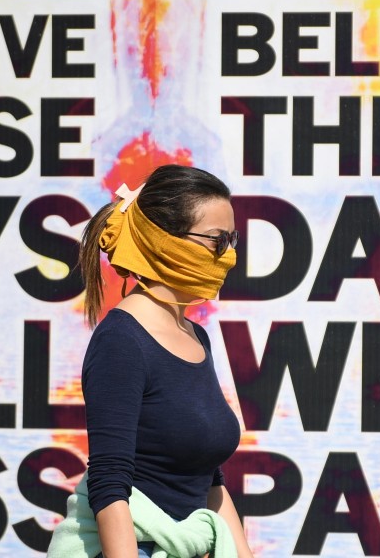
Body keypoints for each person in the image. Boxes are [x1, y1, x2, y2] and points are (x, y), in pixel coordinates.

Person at [47, 164, 253, 558]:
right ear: (164, 241)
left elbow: (207, 477)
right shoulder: (121, 341)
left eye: (233, 239)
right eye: (217, 240)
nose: (229, 254)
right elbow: (110, 483)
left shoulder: (197, 337)